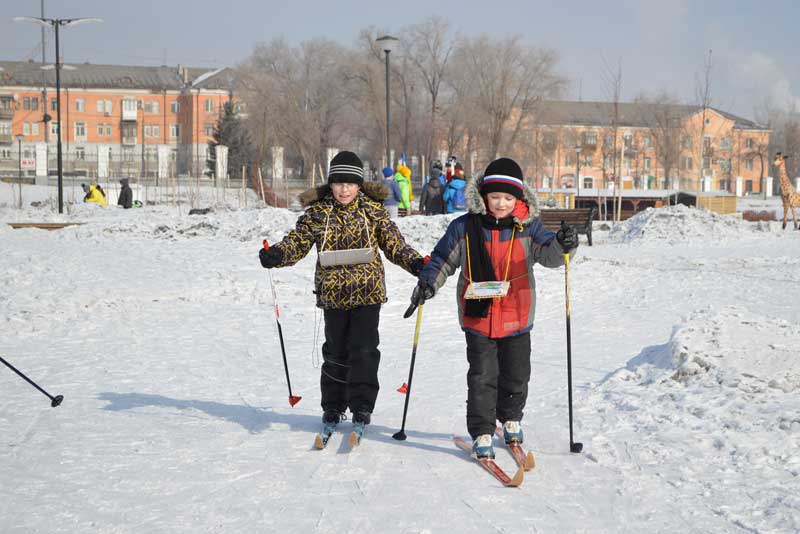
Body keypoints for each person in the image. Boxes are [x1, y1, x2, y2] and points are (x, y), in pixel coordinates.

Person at [406, 157, 578, 459]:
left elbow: (551, 256)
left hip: (517, 315)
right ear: (484, 195)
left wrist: (565, 244)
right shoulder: (464, 227)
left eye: (508, 198)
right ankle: (483, 431)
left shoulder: (528, 228)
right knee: (482, 375)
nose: (500, 204)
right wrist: (428, 283)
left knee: (516, 374)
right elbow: (442, 260)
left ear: (518, 199)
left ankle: (511, 419)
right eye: (495, 197)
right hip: (478, 316)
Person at [258, 150, 426, 438]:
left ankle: (362, 405)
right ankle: (333, 405)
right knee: (335, 351)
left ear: (359, 185)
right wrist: (277, 254)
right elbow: (297, 243)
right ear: (331, 184)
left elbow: (394, 244)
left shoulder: (372, 211)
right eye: (338, 183)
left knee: (364, 350)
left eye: (350, 183)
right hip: (333, 295)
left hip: (368, 294)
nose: (344, 189)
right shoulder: (319, 213)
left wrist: (415, 263)